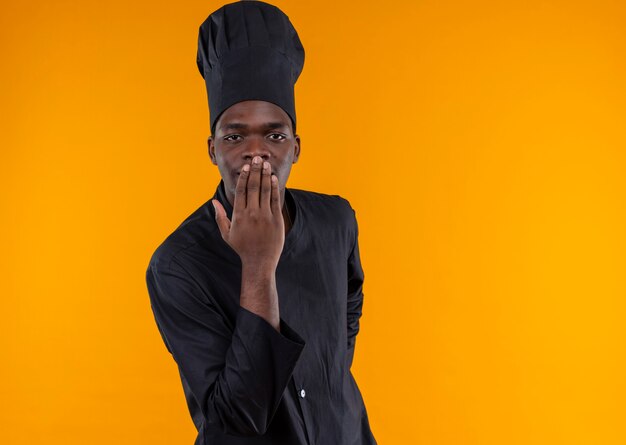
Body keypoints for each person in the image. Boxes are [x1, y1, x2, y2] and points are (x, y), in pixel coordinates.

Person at [145, 1, 377, 443]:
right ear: (212, 149)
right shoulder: (177, 265)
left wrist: (327, 378)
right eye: (235, 136)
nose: (257, 152)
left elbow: (349, 306)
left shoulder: (336, 221)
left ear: (296, 147)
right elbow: (234, 424)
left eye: (275, 134)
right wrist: (257, 266)